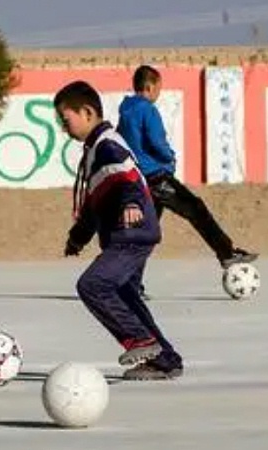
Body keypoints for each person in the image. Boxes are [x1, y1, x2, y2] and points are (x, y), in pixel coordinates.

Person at [54, 80, 184, 380]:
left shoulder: (108, 146)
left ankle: (140, 341)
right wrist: (77, 237)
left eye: (66, 119)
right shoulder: (96, 149)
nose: (64, 127)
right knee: (126, 296)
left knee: (93, 285)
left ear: (87, 112)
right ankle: (165, 360)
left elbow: (128, 178)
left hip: (132, 232)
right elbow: (92, 204)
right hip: (132, 233)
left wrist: (132, 204)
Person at [116, 65, 257, 300]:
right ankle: (226, 253)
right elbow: (156, 140)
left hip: (139, 179)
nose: (158, 94)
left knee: (146, 234)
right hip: (156, 177)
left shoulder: (126, 110)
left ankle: (130, 285)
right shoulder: (147, 109)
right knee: (196, 209)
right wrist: (168, 157)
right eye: (158, 89)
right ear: (149, 87)